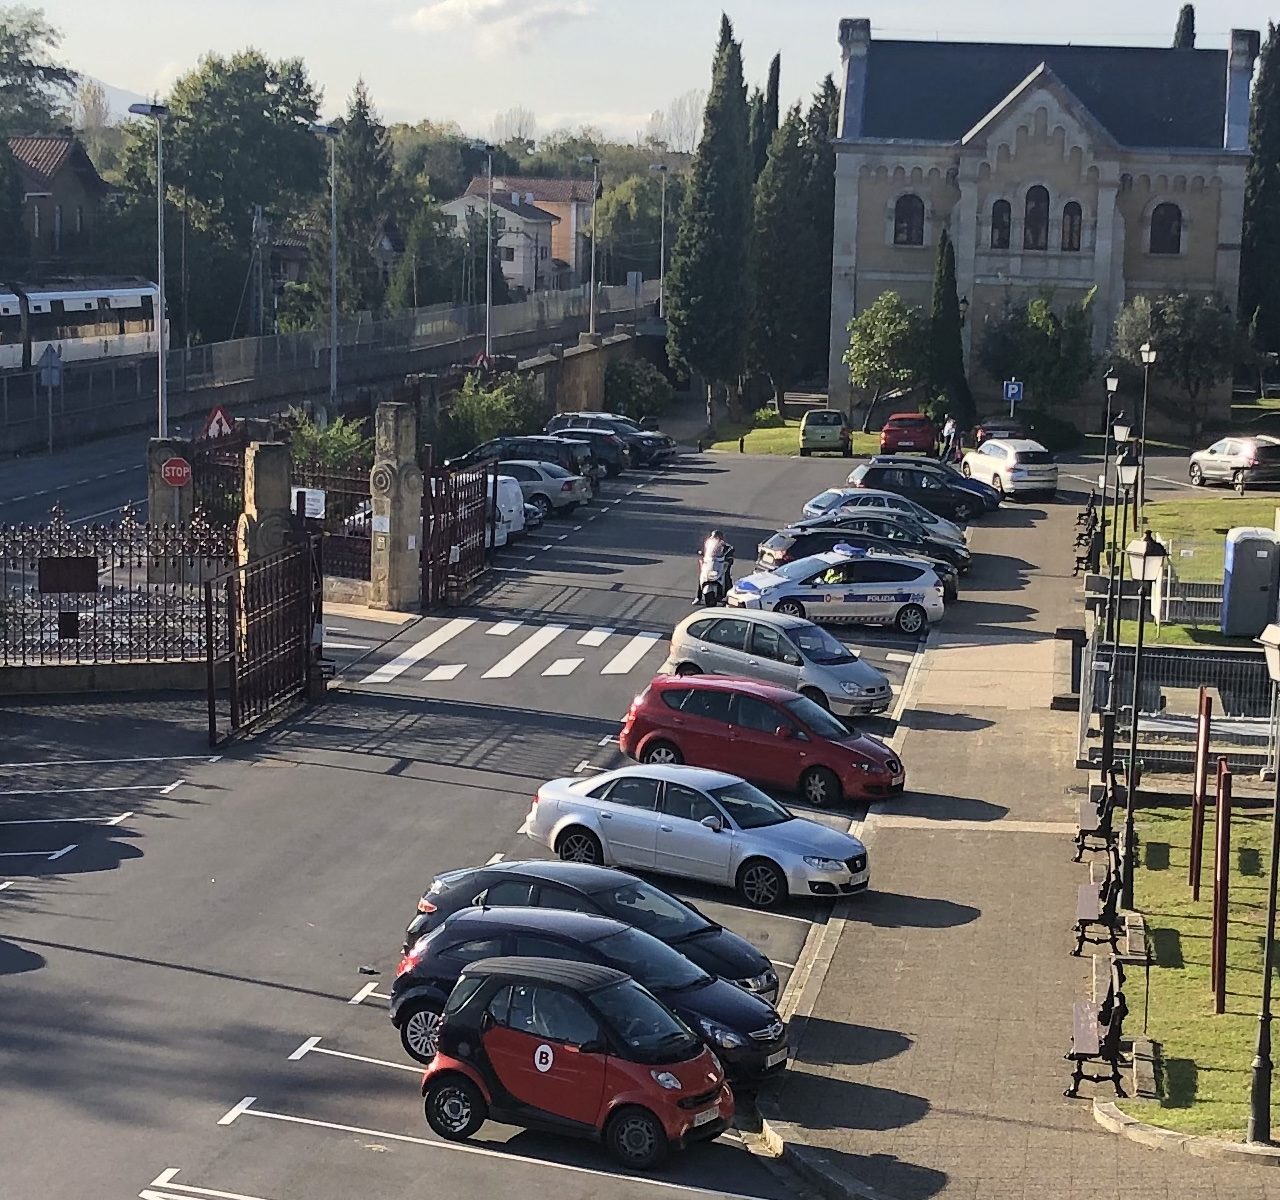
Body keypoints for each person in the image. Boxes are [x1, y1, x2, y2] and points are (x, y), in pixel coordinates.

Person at [695, 530, 734, 602]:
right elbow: (704, 552)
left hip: (720, 564)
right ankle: (698, 597)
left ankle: (729, 597)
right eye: (714, 537)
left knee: (727, 576)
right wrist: (702, 554)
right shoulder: (708, 545)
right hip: (709, 563)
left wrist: (729, 559)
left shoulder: (726, 546)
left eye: (717, 537)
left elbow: (730, 552)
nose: (715, 538)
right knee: (702, 577)